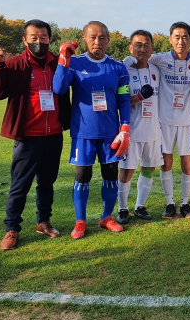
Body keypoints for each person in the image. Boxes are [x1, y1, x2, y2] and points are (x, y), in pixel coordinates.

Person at [0, 19, 71, 250]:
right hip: (28, 136)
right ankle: (12, 228)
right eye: (33, 38)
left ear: (49, 39)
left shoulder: (58, 63)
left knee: (47, 183)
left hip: (54, 134)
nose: (39, 41)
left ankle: (43, 222)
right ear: (25, 40)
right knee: (20, 184)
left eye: (43, 37)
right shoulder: (15, 64)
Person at [125, 22, 190, 219]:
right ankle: (169, 202)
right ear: (170, 39)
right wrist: (127, 60)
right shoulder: (160, 59)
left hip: (187, 120)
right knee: (166, 163)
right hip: (164, 121)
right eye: (177, 37)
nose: (181, 41)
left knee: (188, 163)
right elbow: (141, 58)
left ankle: (184, 203)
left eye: (185, 37)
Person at [52, 21, 131, 239]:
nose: (98, 42)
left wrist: (125, 127)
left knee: (111, 175)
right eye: (93, 37)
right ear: (84, 38)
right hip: (83, 133)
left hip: (110, 134)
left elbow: (124, 99)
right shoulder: (74, 63)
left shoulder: (118, 67)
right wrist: (63, 60)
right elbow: (58, 88)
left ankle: (107, 217)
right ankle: (80, 221)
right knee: (82, 175)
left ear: (108, 40)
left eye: (102, 37)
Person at [116, 30, 161, 224]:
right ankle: (123, 208)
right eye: (138, 45)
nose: (142, 49)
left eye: (146, 45)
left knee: (149, 168)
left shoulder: (156, 70)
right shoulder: (124, 71)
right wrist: (139, 97)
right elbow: (120, 101)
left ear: (152, 48)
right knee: (127, 170)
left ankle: (140, 206)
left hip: (153, 130)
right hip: (132, 130)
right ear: (130, 47)